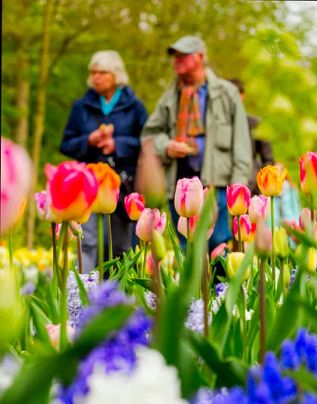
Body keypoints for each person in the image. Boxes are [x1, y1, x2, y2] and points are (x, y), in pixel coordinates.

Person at [141, 36, 252, 252]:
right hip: (180, 187)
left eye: (184, 56)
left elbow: (241, 143)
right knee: (186, 248)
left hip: (218, 185)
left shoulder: (226, 93)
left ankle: (221, 288)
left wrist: (238, 189)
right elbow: (149, 135)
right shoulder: (168, 98)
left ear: (201, 57)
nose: (177, 61)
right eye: (175, 56)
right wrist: (166, 147)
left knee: (219, 248)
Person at [60, 50, 148, 272]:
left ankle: (122, 295)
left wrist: (118, 144)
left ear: (115, 75)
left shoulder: (134, 106)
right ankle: (83, 294)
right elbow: (66, 144)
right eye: (93, 72)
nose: (96, 77)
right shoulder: (81, 106)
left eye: (102, 72)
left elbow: (147, 142)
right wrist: (89, 140)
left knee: (120, 244)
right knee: (86, 241)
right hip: (88, 183)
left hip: (120, 183)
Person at [228, 78, 274, 195]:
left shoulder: (255, 123)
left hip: (251, 185)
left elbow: (268, 159)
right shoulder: (217, 125)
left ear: (242, 96)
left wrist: (260, 184)